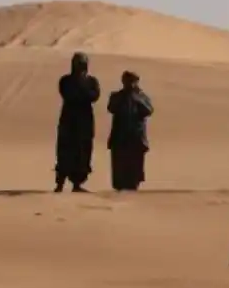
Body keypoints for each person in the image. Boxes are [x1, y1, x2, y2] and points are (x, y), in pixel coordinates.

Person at [54, 52, 102, 192]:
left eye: (82, 64)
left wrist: (81, 91)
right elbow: (68, 94)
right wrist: (82, 91)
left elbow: (94, 95)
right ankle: (60, 182)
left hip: (85, 120)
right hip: (69, 119)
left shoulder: (92, 81)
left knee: (83, 150)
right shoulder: (66, 80)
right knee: (65, 149)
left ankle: (77, 183)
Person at [106, 71, 154, 191]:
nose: (130, 84)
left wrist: (135, 98)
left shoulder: (142, 97)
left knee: (135, 167)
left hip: (136, 137)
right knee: (119, 166)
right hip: (120, 137)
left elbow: (149, 110)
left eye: (133, 81)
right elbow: (111, 107)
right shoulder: (116, 96)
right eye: (128, 81)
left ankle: (133, 184)